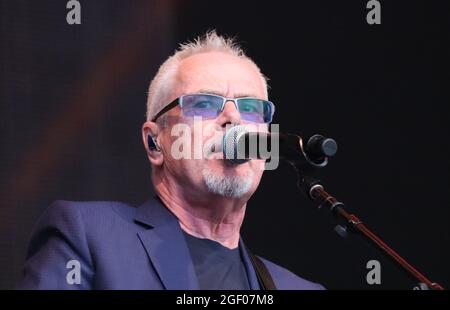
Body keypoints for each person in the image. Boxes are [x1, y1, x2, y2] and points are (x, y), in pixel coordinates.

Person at [18, 31, 324, 290]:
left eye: (250, 108)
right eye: (204, 103)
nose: (233, 118)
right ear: (155, 142)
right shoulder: (88, 236)